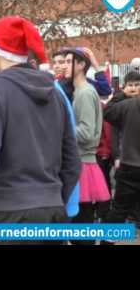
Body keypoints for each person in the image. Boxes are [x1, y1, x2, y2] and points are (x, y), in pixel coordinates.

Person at [0, 16, 81, 245]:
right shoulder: (56, 94)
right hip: (53, 212)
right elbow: (72, 161)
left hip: (12, 214)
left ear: (0, 50)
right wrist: (56, 200)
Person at [62, 48, 110, 244]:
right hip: (81, 163)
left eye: (68, 61)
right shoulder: (81, 91)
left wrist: (61, 129)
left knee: (81, 229)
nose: (63, 65)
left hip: (82, 165)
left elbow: (87, 133)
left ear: (81, 65)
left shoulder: (85, 93)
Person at [102, 70, 140, 244]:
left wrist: (120, 94)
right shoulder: (127, 107)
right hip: (129, 166)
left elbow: (107, 111)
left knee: (119, 210)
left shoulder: (125, 106)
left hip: (129, 167)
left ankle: (107, 240)